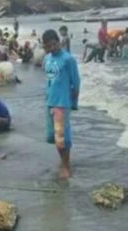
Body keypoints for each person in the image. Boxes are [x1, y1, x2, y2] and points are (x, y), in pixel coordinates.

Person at [42, 29, 80, 179]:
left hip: (62, 103)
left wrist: (73, 103)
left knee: (62, 137)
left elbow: (75, 83)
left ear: (58, 42)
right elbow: (50, 81)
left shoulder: (68, 59)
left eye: (54, 44)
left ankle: (66, 165)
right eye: (48, 46)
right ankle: (63, 161)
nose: (52, 48)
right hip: (50, 101)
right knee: (53, 137)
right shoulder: (47, 59)